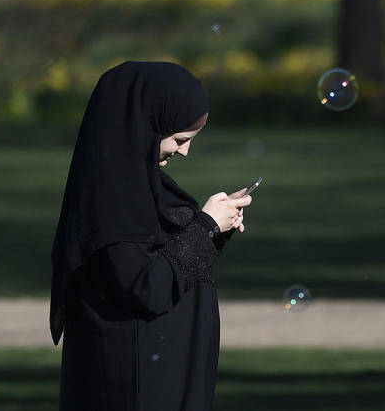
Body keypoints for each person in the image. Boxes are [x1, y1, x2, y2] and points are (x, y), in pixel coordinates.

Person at [50, 61, 252, 411]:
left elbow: (169, 260)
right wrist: (204, 227)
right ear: (144, 126)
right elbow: (147, 286)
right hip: (134, 382)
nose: (184, 151)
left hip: (165, 369)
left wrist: (216, 232)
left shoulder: (145, 185)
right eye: (179, 139)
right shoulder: (111, 199)